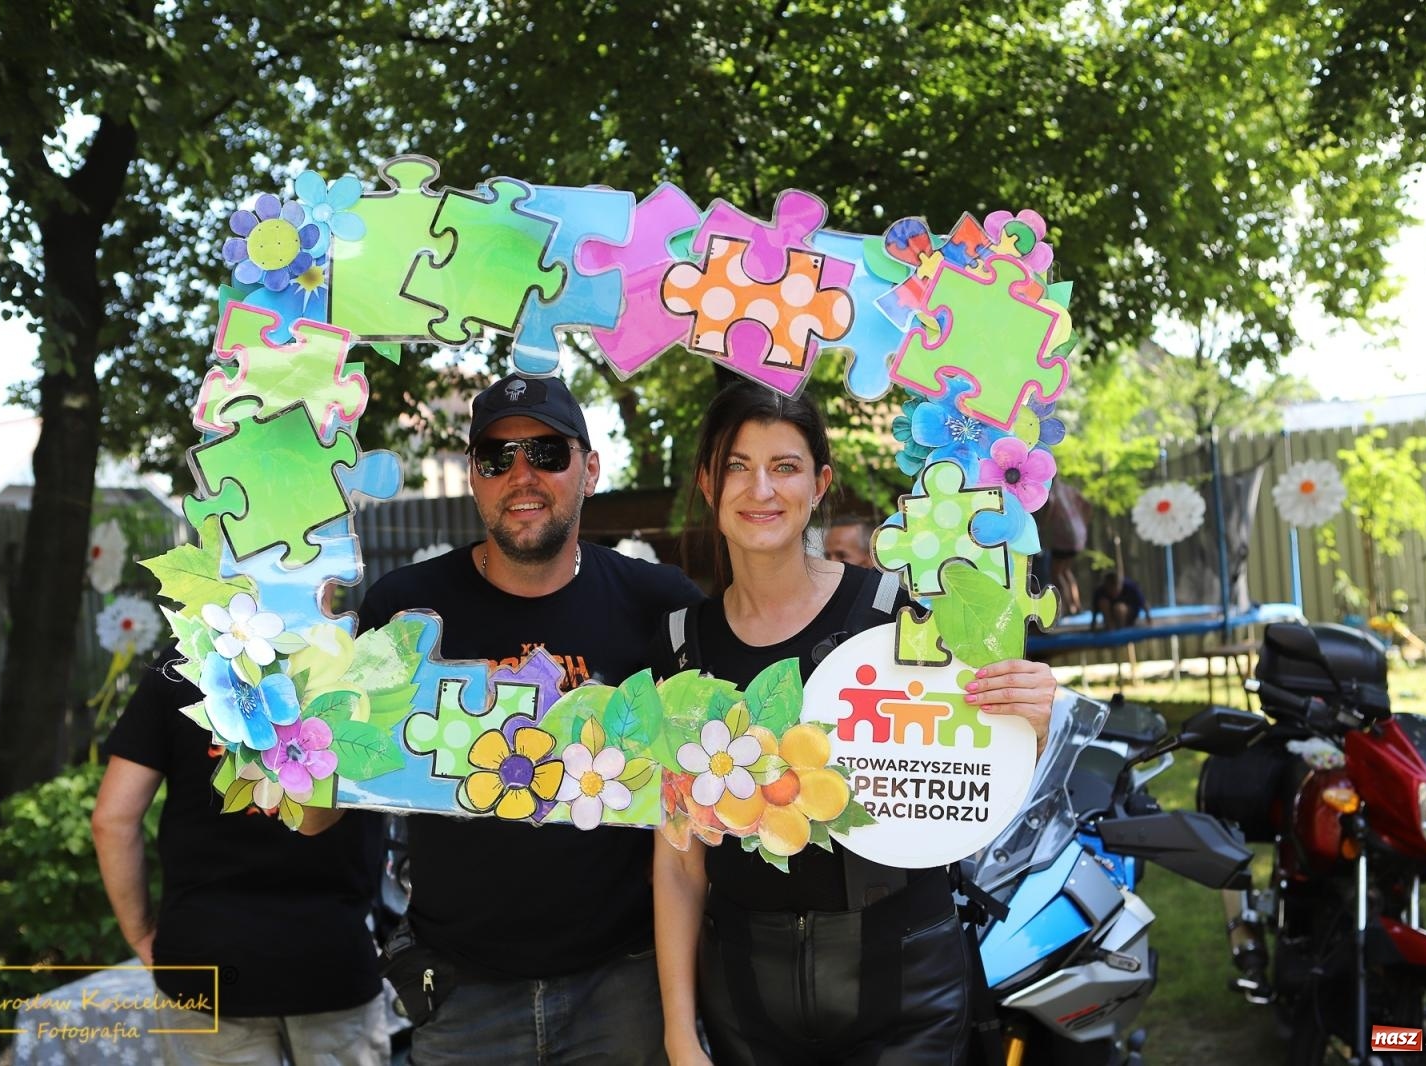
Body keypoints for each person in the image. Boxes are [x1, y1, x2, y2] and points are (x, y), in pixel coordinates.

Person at [649, 381, 1057, 1066]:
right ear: (708, 484)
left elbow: (988, 762)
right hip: (747, 1005)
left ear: (819, 484)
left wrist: (1033, 717)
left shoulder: (899, 616)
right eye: (737, 467)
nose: (761, 490)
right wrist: (679, 1033)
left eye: (784, 466)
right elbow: (679, 862)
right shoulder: (682, 643)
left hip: (905, 994)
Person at [300, 373, 703, 1065]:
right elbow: (319, 813)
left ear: (591, 468)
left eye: (547, 453)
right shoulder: (404, 609)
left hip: (623, 987)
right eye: (497, 457)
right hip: (462, 998)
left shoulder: (660, 602)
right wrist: (282, 733)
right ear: (474, 477)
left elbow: (726, 772)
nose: (522, 475)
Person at [92, 648, 390, 1066]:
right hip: (331, 954)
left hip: (205, 960)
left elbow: (113, 820)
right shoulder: (360, 658)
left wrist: (140, 934)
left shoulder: (185, 659)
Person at [1039, 481, 1090, 616]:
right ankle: (1076, 604)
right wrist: (1083, 522)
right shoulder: (1068, 488)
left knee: (1056, 573)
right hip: (1078, 533)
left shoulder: (1052, 490)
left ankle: (1069, 607)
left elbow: (1050, 503)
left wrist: (1043, 524)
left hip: (1064, 535)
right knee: (1065, 570)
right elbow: (1086, 504)